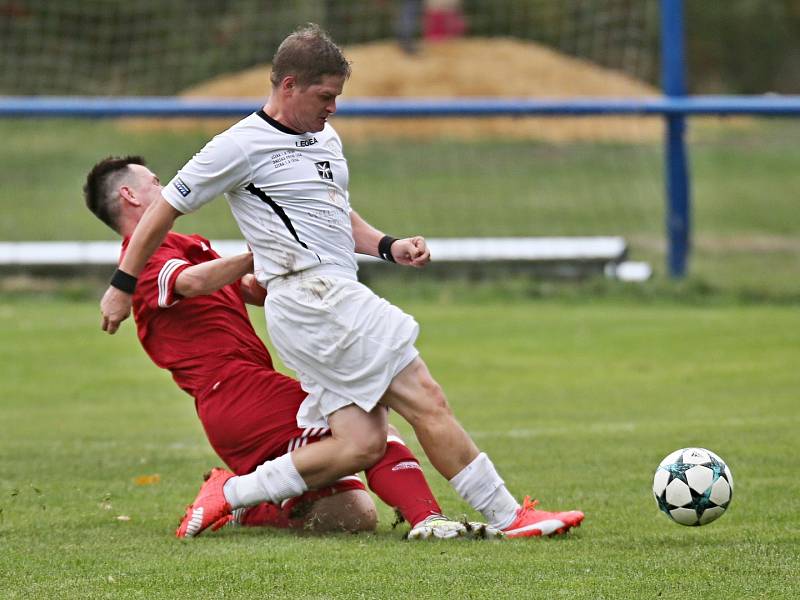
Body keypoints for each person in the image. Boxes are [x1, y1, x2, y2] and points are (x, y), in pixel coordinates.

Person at [99, 24, 584, 540]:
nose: (332, 107)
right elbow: (164, 210)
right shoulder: (237, 146)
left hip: (323, 299)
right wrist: (122, 284)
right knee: (425, 396)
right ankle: (509, 516)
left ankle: (230, 493)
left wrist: (387, 245)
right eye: (324, 96)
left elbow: (335, 215)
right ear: (288, 86)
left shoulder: (325, 137)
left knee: (361, 444)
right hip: (315, 299)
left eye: (338, 96)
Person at [84, 155, 498, 540]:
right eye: (155, 181)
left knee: (352, 512)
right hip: (235, 393)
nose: (166, 186)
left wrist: (290, 268)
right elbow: (192, 282)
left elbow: (250, 289)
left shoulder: (189, 244)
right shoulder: (141, 258)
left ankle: (245, 503)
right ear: (129, 195)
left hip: (248, 392)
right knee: (370, 430)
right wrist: (257, 252)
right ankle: (430, 520)